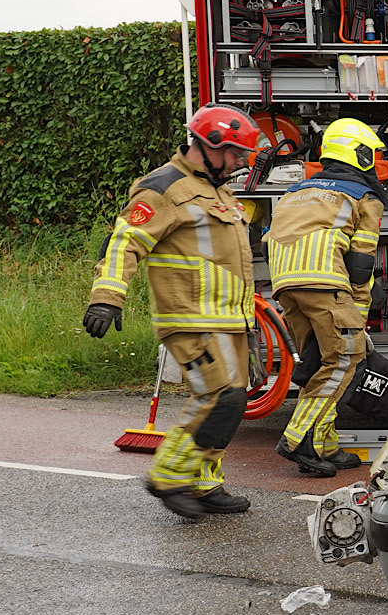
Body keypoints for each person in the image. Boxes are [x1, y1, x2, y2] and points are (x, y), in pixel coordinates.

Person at [84, 104, 262, 519]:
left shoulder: (218, 190)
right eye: (236, 153)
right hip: (190, 316)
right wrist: (107, 296)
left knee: (229, 404)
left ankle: (204, 483)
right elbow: (125, 241)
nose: (240, 162)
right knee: (218, 397)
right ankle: (168, 477)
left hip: (229, 318)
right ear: (210, 145)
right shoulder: (163, 187)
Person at [265, 117, 388, 478]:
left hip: (286, 284)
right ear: (360, 154)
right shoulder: (363, 196)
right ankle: (297, 439)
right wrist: (358, 316)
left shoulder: (295, 191)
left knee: (320, 363)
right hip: (324, 281)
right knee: (344, 358)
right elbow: (360, 267)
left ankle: (324, 444)